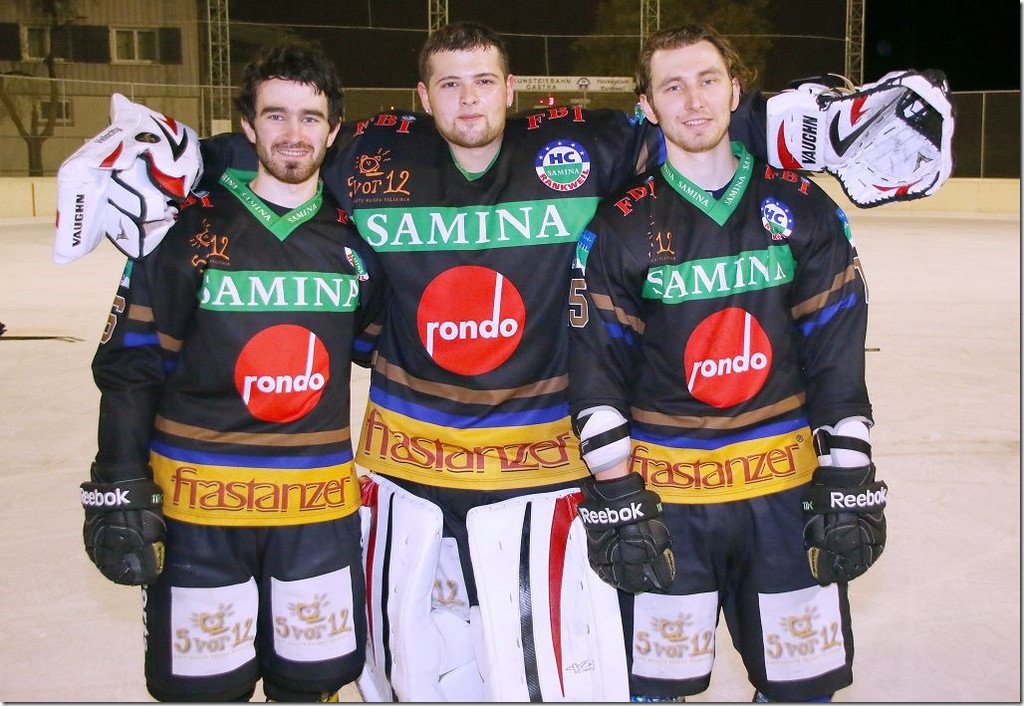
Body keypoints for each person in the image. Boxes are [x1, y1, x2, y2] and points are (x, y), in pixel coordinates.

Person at [59, 20, 947, 702]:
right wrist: (181, 161)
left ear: (510, 89)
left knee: (555, 678)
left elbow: (695, 125)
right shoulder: (371, 157)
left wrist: (813, 130)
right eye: (449, 84)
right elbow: (282, 145)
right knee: (407, 677)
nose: (469, 99)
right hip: (404, 479)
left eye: (484, 80)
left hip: (548, 474)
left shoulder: (583, 152)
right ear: (423, 95)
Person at [568, 25, 887, 702]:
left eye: (708, 80)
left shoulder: (801, 206)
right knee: (653, 692)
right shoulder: (618, 226)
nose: (694, 100)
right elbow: (597, 367)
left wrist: (848, 467)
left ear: (735, 90)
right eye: (672, 86)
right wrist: (617, 491)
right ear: (647, 106)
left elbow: (836, 352)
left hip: (784, 496)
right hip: (667, 502)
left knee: (802, 691)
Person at [79, 40, 387, 702]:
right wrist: (118, 480)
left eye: (310, 117)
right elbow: (133, 365)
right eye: (275, 115)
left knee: (314, 682)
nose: (293, 133)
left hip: (315, 512)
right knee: (204, 689)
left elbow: (374, 346)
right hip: (200, 511)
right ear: (248, 126)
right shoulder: (182, 231)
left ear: (334, 130)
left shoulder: (357, 245)